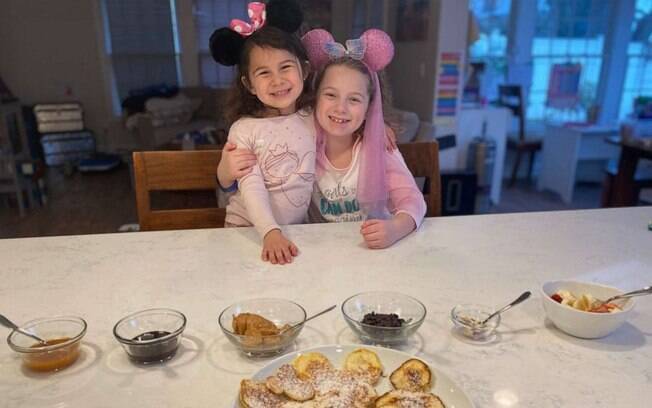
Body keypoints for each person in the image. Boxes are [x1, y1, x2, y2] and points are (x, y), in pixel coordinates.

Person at [219, 28, 426, 249]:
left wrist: (396, 228)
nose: (340, 108)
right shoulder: (305, 134)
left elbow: (412, 199)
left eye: (354, 99)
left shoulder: (379, 147)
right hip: (312, 249)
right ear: (315, 97)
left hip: (373, 251)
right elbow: (248, 179)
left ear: (370, 106)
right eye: (330, 95)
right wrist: (224, 173)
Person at [210, 0, 315, 265]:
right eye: (264, 72)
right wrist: (270, 232)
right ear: (250, 84)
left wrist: (378, 125)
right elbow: (251, 185)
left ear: (303, 69)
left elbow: (345, 122)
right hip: (247, 231)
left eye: (285, 67)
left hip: (296, 233)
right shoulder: (244, 129)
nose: (277, 80)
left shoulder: (314, 117)